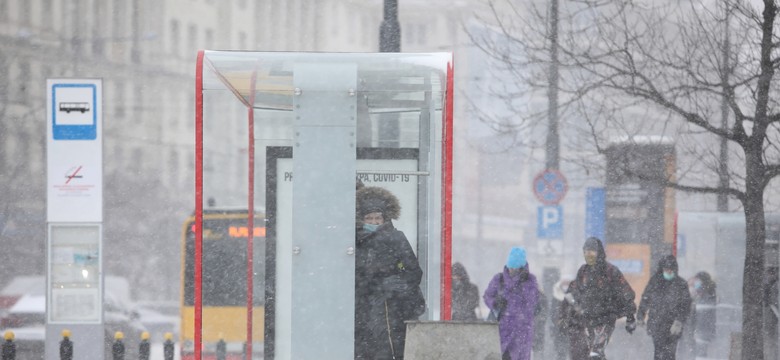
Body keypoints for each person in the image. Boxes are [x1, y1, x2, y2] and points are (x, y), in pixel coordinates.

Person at [354, 186, 424, 360]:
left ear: (385, 218)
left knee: (391, 346)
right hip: (362, 305)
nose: (374, 222)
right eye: (369, 218)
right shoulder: (354, 240)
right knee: (365, 346)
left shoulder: (396, 237)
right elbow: (352, 275)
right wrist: (374, 286)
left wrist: (398, 284)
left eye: (378, 218)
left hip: (394, 306)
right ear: (361, 219)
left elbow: (414, 271)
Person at [567, 237, 636, 360]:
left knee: (596, 353)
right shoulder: (583, 271)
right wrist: (573, 307)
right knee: (592, 355)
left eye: (592, 252)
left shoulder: (610, 271)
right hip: (588, 319)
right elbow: (573, 291)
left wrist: (630, 317)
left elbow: (626, 292)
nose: (589, 255)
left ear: (599, 252)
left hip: (606, 318)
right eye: (586, 252)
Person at [483, 247, 540, 360]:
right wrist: (495, 302)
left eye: (515, 268)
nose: (511, 270)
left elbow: (532, 302)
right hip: (501, 332)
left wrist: (524, 283)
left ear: (521, 267)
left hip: (522, 333)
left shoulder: (530, 280)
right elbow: (487, 296)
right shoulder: (499, 279)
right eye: (510, 267)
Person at [636, 255, 692, 360]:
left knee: (670, 354)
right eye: (666, 270)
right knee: (658, 353)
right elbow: (646, 299)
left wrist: (679, 321)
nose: (669, 272)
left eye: (671, 270)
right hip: (656, 324)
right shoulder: (654, 282)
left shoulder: (681, 284)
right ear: (662, 269)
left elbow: (685, 305)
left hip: (673, 326)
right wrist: (640, 315)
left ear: (675, 270)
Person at [552, 278, 588, 360]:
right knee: (575, 352)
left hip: (576, 328)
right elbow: (560, 313)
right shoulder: (568, 297)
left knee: (577, 351)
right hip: (574, 328)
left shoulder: (572, 296)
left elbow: (561, 313)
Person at [689, 271, 717, 358]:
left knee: (701, 355)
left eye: (697, 281)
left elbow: (706, 317)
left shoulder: (709, 296)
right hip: (699, 332)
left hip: (703, 333)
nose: (695, 283)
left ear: (703, 282)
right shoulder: (699, 295)